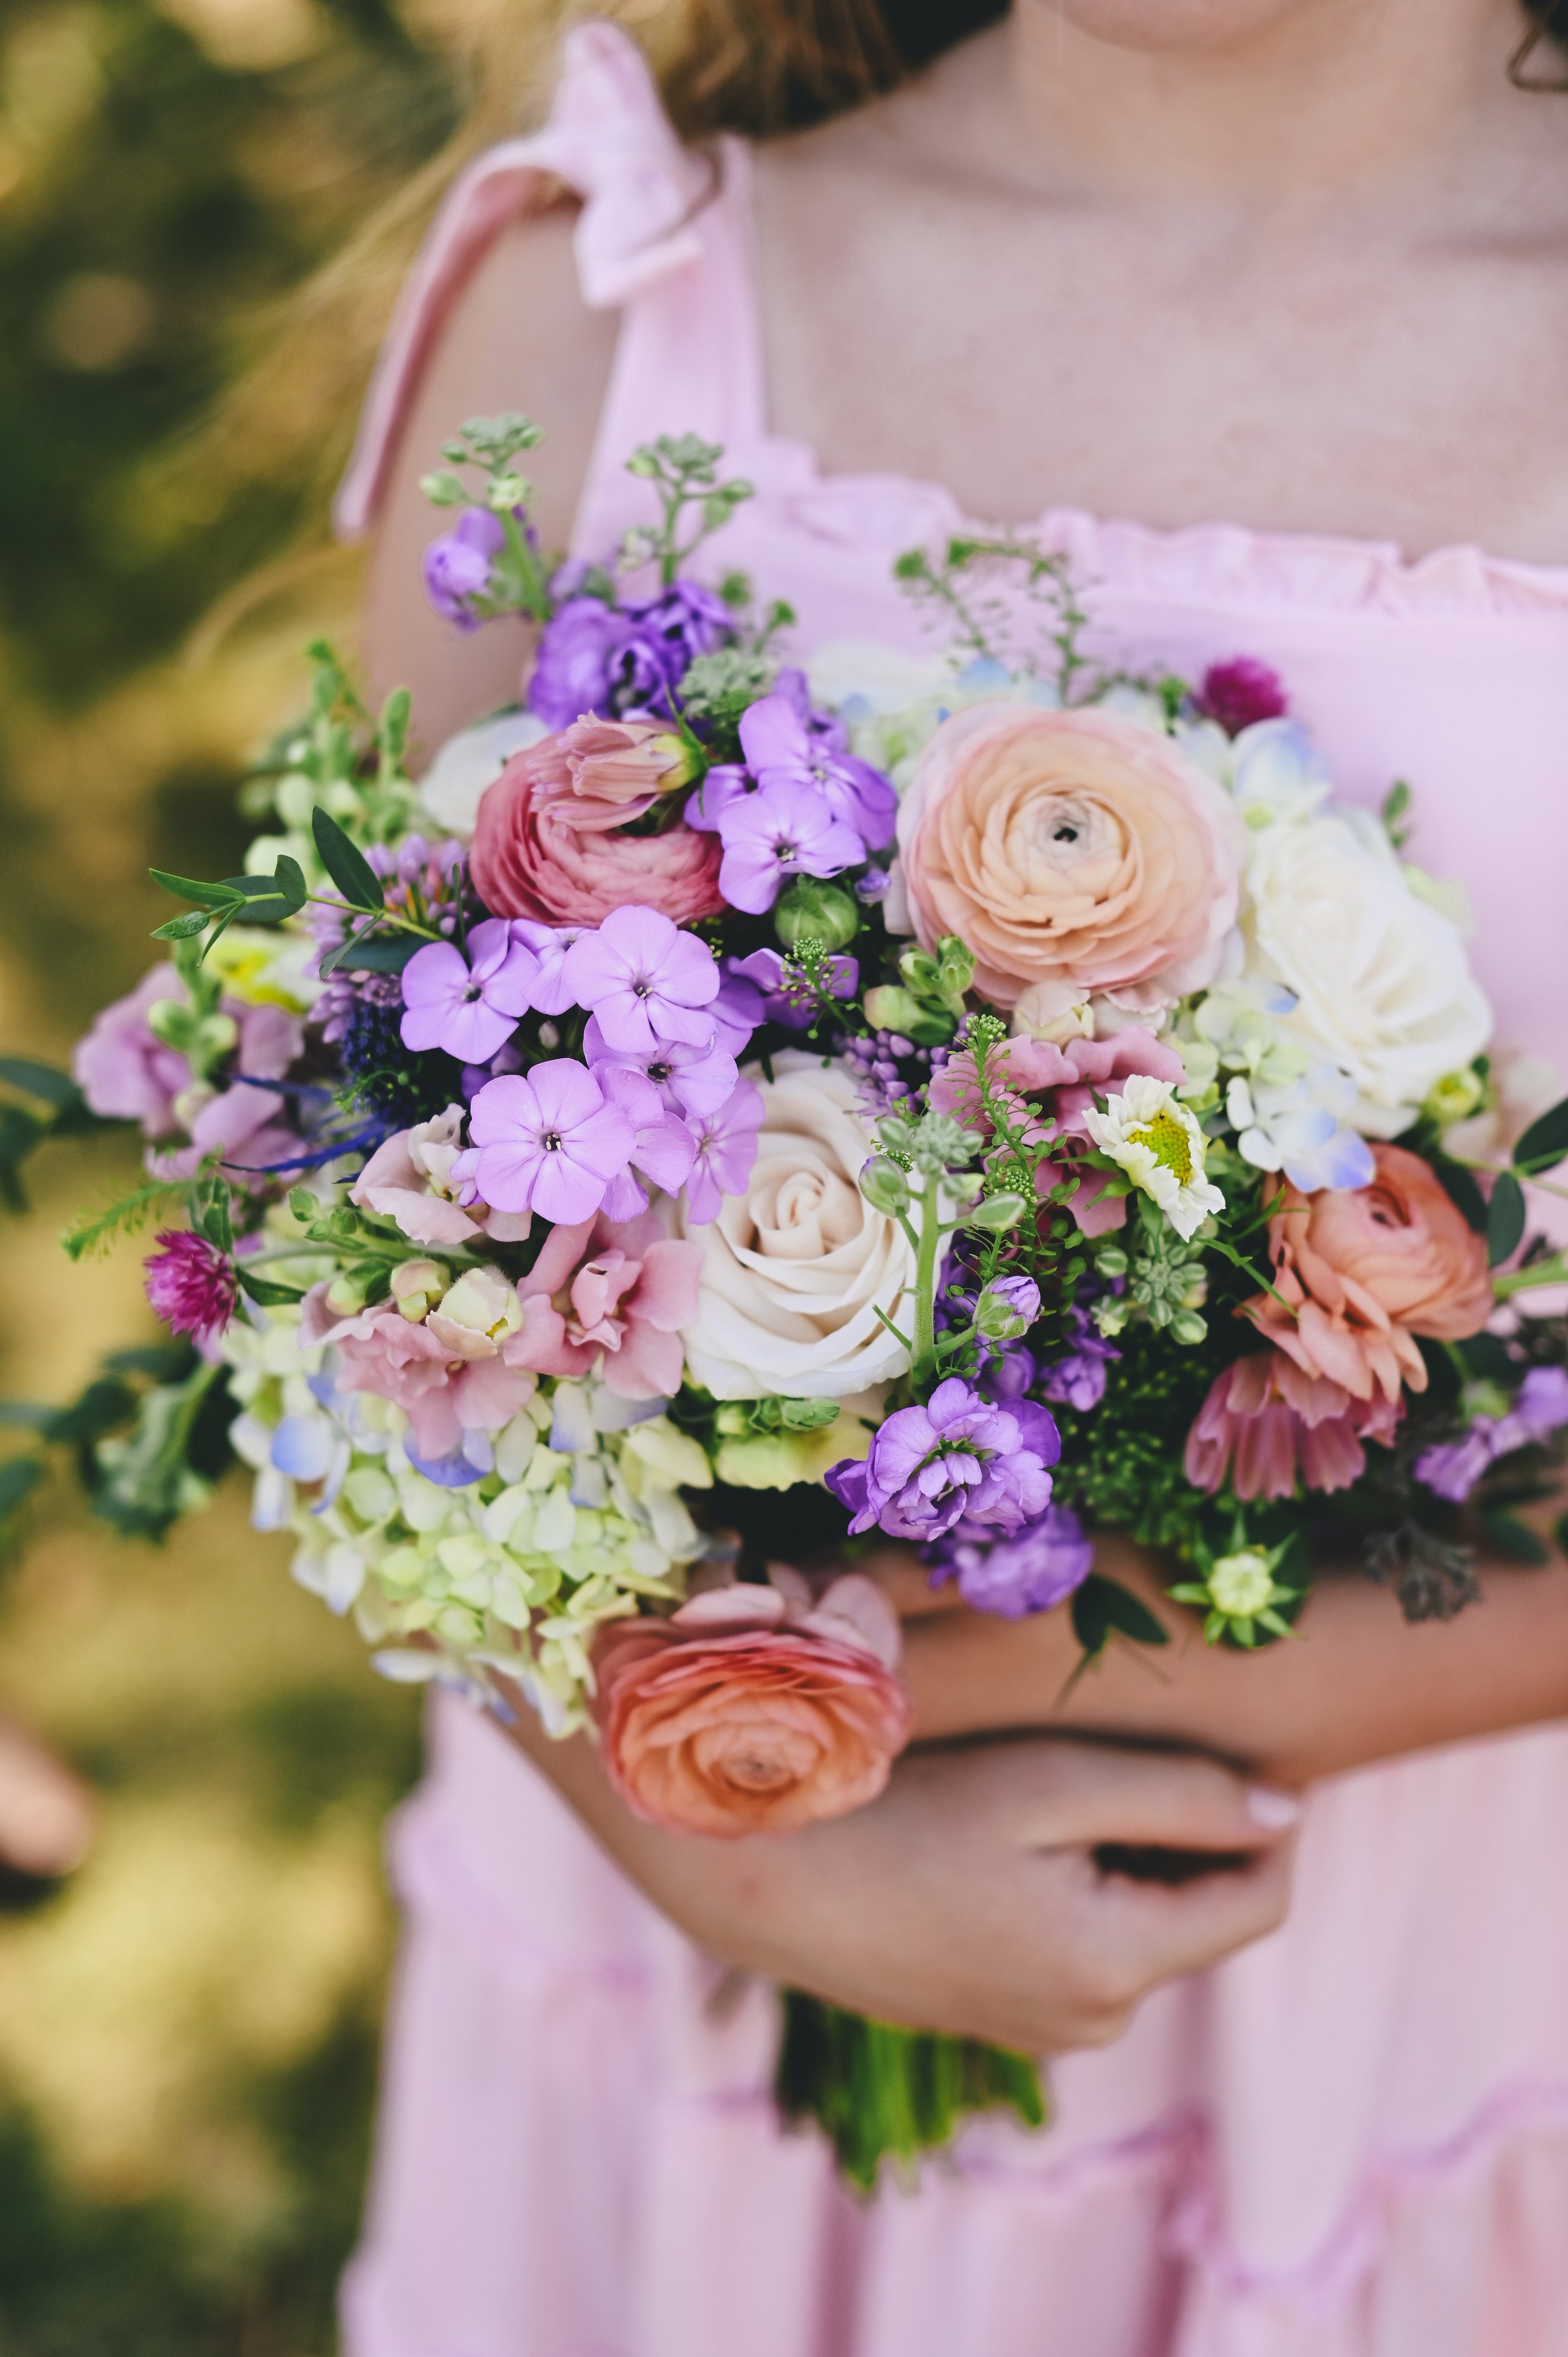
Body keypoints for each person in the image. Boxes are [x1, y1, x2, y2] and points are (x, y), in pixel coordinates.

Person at [334, 1, 1568, 2348]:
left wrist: (831, 1753)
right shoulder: (614, 289)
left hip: (1404, 1988)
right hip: (658, 1968)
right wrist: (703, 1836)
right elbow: (326, 1206)